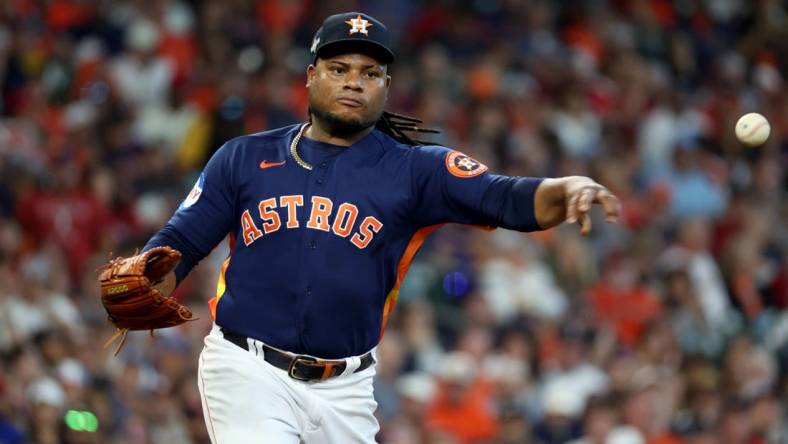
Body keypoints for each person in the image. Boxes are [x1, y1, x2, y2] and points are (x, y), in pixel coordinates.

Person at [134, 11, 620, 444]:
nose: (354, 83)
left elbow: (504, 197)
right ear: (310, 77)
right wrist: (145, 280)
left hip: (346, 388)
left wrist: (564, 188)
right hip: (247, 369)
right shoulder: (244, 157)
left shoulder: (414, 170)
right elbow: (181, 242)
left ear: (386, 86)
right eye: (338, 69)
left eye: (370, 73)